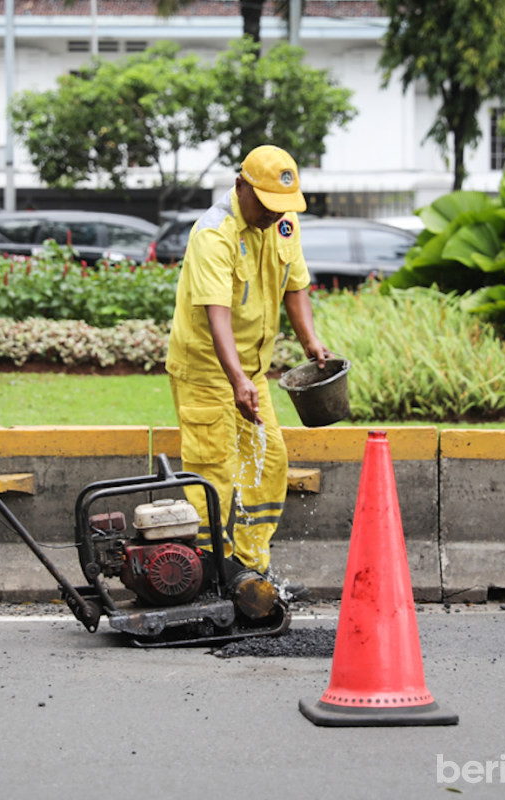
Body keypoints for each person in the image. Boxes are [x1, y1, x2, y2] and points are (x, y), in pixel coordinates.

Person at [165, 144, 333, 577]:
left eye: (283, 206)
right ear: (241, 186)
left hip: (250, 374)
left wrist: (311, 341)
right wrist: (236, 378)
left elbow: (295, 286)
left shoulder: (283, 224)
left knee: (270, 461)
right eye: (266, 204)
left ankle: (249, 567)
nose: (275, 214)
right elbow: (215, 312)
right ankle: (209, 572)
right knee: (213, 472)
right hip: (205, 373)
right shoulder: (213, 234)